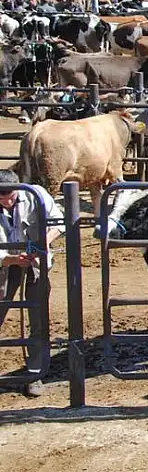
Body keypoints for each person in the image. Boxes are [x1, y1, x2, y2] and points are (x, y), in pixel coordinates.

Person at [0, 169, 64, 397]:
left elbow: (60, 222)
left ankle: (35, 374)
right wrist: (10, 259)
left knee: (37, 316)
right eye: (0, 195)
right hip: (6, 261)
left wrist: (42, 244)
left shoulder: (36, 194)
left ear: (17, 189)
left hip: (36, 259)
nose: (5, 199)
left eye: (8, 194)